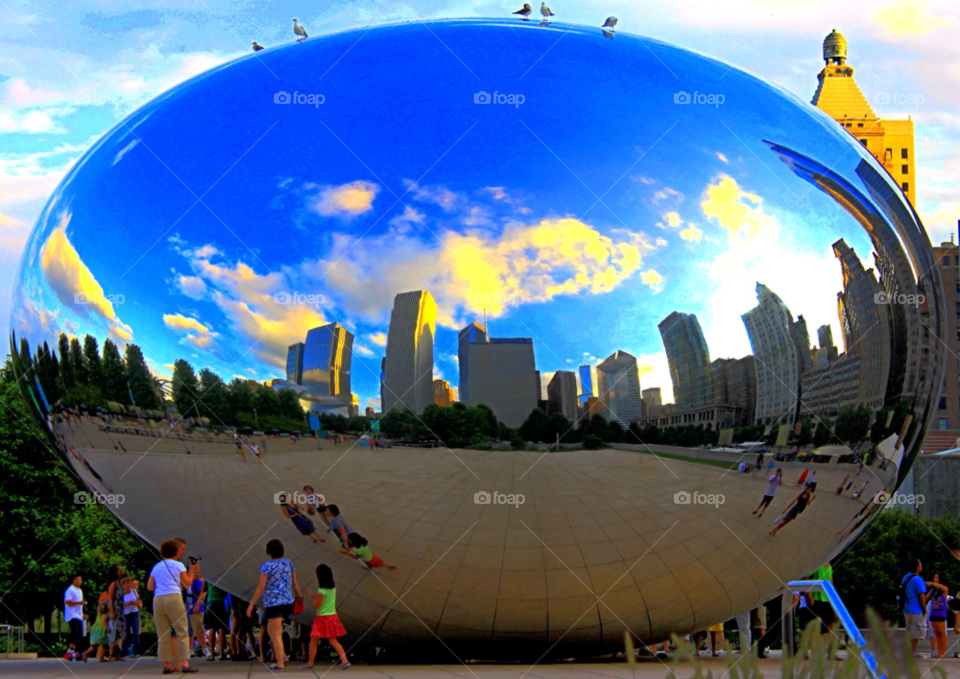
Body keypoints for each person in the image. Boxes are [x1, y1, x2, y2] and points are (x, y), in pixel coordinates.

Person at [148, 538, 201, 673]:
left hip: (158, 599)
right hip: (173, 597)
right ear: (176, 551)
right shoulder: (178, 565)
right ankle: (184, 663)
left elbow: (150, 586)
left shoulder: (157, 566)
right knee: (182, 631)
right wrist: (193, 570)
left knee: (163, 634)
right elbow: (187, 584)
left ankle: (166, 664)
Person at [247, 539, 301, 671]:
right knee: (272, 630)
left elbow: (261, 587)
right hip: (288, 601)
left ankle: (280, 663)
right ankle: (282, 655)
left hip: (273, 603)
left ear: (269, 552)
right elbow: (295, 583)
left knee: (275, 633)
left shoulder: (266, 566)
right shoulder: (289, 563)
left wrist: (251, 604)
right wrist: (300, 597)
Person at [300, 564, 350, 670]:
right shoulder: (332, 588)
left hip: (321, 617)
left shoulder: (321, 589)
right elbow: (323, 600)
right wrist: (313, 595)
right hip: (332, 616)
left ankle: (310, 662)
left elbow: (318, 605)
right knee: (333, 640)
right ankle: (344, 660)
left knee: (313, 640)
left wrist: (314, 598)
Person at [902, 559, 928, 658]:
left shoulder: (905, 577)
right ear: (917, 567)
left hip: (906, 608)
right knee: (916, 632)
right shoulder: (918, 579)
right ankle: (913, 653)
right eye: (920, 565)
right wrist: (924, 610)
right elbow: (921, 597)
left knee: (908, 630)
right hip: (916, 609)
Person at [811, 563, 836, 653]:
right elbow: (807, 577)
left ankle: (831, 650)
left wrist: (833, 596)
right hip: (816, 598)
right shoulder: (817, 565)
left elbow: (831, 581)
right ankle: (818, 649)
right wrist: (809, 595)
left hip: (827, 598)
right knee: (817, 623)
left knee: (831, 623)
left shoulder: (829, 566)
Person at [187, 570, 210, 659]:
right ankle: (190, 650)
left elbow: (202, 593)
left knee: (199, 630)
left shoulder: (198, 583)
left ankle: (204, 649)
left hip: (196, 609)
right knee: (190, 631)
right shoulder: (189, 584)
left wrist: (197, 605)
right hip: (189, 608)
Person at [204, 583, 230, 660]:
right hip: (219, 601)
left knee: (212, 627)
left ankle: (212, 654)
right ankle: (222, 653)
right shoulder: (221, 576)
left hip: (210, 601)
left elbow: (203, 590)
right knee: (221, 628)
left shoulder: (208, 577)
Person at [105, 564, 125, 661]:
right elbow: (111, 599)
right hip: (115, 609)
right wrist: (112, 612)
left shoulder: (120, 582)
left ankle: (116, 653)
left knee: (119, 631)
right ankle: (111, 654)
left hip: (121, 609)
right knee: (114, 630)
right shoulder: (114, 584)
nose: (121, 570)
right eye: (119, 569)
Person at [64, 575, 86, 661]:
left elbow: (79, 605)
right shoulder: (70, 590)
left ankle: (73, 651)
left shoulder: (79, 590)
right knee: (75, 632)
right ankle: (70, 651)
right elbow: (66, 601)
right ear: (74, 580)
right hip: (72, 615)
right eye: (79, 579)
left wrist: (82, 613)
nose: (81, 581)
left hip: (78, 615)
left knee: (79, 634)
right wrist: (78, 602)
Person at [927, 573, 949, 659]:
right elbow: (926, 598)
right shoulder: (933, 590)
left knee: (942, 633)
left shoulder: (944, 588)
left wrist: (932, 584)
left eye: (936, 577)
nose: (934, 578)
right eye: (934, 577)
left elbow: (942, 587)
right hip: (933, 613)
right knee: (936, 633)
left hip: (940, 613)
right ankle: (939, 651)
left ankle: (943, 652)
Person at [122, 578, 142, 658]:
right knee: (125, 633)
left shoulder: (134, 591)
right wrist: (128, 603)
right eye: (127, 584)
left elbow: (138, 601)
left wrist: (137, 604)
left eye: (130, 584)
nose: (129, 585)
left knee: (135, 633)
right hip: (126, 614)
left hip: (134, 612)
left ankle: (137, 651)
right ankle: (125, 652)